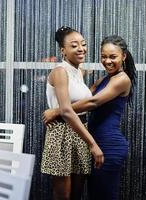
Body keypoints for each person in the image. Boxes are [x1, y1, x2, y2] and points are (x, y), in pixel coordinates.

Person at [42, 35, 137, 200]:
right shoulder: (105, 79)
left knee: (104, 195)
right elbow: (85, 95)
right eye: (104, 56)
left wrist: (57, 111)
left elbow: (93, 102)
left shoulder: (122, 79)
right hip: (90, 141)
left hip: (109, 146)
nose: (107, 61)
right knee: (93, 194)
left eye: (113, 56)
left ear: (124, 56)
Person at [40, 26, 104, 200]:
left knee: (76, 194)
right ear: (63, 50)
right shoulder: (60, 72)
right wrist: (92, 144)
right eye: (74, 45)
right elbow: (67, 110)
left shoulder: (78, 71)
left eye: (83, 44)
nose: (81, 49)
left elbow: (79, 99)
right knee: (63, 196)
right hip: (62, 132)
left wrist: (99, 84)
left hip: (79, 131)